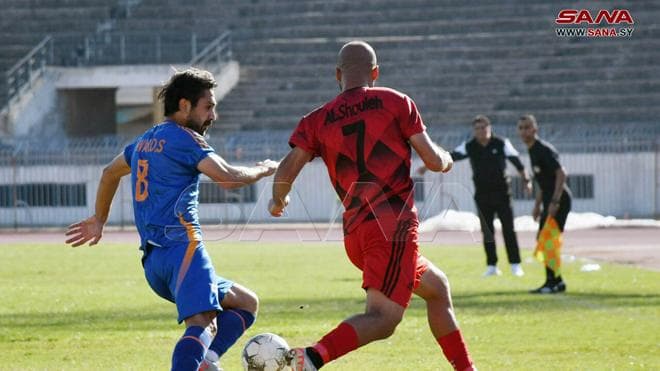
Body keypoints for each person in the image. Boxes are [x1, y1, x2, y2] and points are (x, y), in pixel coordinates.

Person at [269, 41, 475, 371]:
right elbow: (434, 161)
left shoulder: (317, 119)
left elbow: (287, 167)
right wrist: (448, 160)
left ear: (337, 75)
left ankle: (466, 368)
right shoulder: (396, 102)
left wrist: (277, 200)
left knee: (437, 288)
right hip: (391, 228)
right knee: (383, 318)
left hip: (356, 234)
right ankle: (310, 358)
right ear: (376, 72)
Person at [65, 68, 278, 370]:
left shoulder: (144, 141)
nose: (213, 115)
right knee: (203, 324)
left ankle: (207, 362)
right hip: (183, 249)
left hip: (154, 263)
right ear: (184, 105)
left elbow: (109, 172)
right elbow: (229, 178)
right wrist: (264, 169)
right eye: (209, 107)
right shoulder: (185, 139)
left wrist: (100, 219)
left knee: (245, 302)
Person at [419, 115, 531, 277]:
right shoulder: (470, 146)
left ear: (489, 128)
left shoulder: (501, 143)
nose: (481, 131)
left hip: (503, 194)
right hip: (482, 195)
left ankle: (515, 265)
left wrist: (526, 181)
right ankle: (492, 266)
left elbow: (518, 163)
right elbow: (450, 157)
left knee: (509, 229)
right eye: (477, 128)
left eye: (483, 127)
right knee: (487, 232)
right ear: (474, 131)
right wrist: (426, 166)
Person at [517, 114, 572, 294]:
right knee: (544, 238)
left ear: (535, 129)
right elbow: (543, 182)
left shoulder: (542, 149)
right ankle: (555, 281)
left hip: (560, 199)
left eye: (527, 127)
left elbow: (561, 173)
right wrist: (537, 205)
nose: (524, 131)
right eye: (521, 128)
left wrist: (555, 201)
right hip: (549, 199)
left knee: (548, 238)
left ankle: (553, 282)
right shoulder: (532, 150)